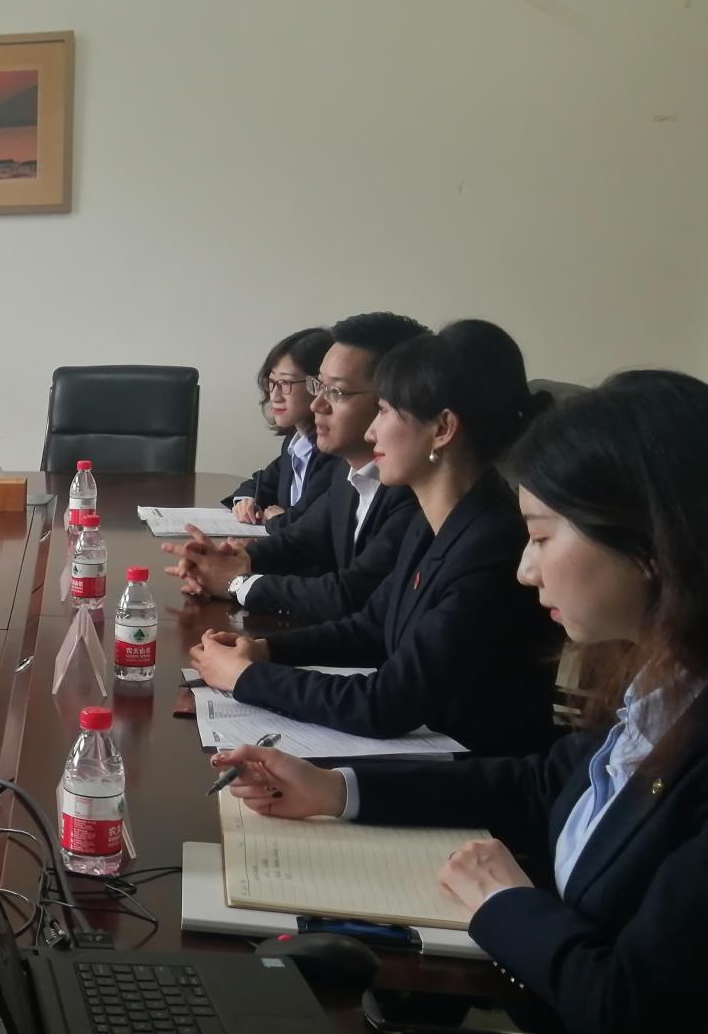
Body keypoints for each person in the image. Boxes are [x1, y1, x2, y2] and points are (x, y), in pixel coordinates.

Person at [210, 371, 708, 1034]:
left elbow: (634, 1010)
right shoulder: (665, 686)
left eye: (542, 538)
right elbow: (541, 785)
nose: (526, 570)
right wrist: (336, 789)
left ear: (651, 546)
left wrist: (504, 903)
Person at [189, 321, 558, 756]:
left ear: (442, 429)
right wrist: (263, 650)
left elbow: (386, 703)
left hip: (471, 771)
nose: (370, 432)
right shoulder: (434, 521)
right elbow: (371, 626)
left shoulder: (491, 544)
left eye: (383, 411)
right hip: (430, 754)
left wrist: (247, 677)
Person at [167, 312, 426, 622]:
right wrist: (228, 560)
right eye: (319, 386)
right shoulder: (348, 473)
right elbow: (299, 541)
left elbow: (352, 594)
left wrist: (235, 582)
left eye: (337, 392)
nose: (317, 405)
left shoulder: (414, 492)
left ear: (394, 400)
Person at [222, 327, 338, 528]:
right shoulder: (295, 442)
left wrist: (278, 521)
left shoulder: (333, 454)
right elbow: (260, 483)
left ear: (318, 385)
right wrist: (246, 501)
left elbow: (309, 524)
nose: (274, 396)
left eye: (285, 382)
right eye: (271, 381)